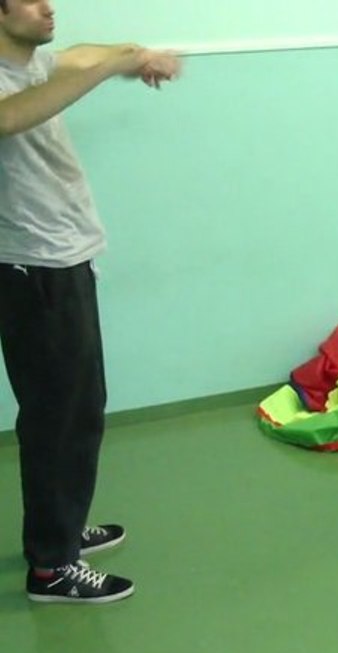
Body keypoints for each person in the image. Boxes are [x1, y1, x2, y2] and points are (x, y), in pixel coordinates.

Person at [0, 0, 182, 604]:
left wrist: (134, 55)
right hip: (32, 267)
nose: (48, 7)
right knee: (57, 415)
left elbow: (79, 57)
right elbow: (10, 116)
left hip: (62, 259)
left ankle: (63, 527)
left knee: (79, 406)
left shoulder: (32, 65)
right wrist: (110, 68)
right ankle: (52, 566)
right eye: (31, 0)